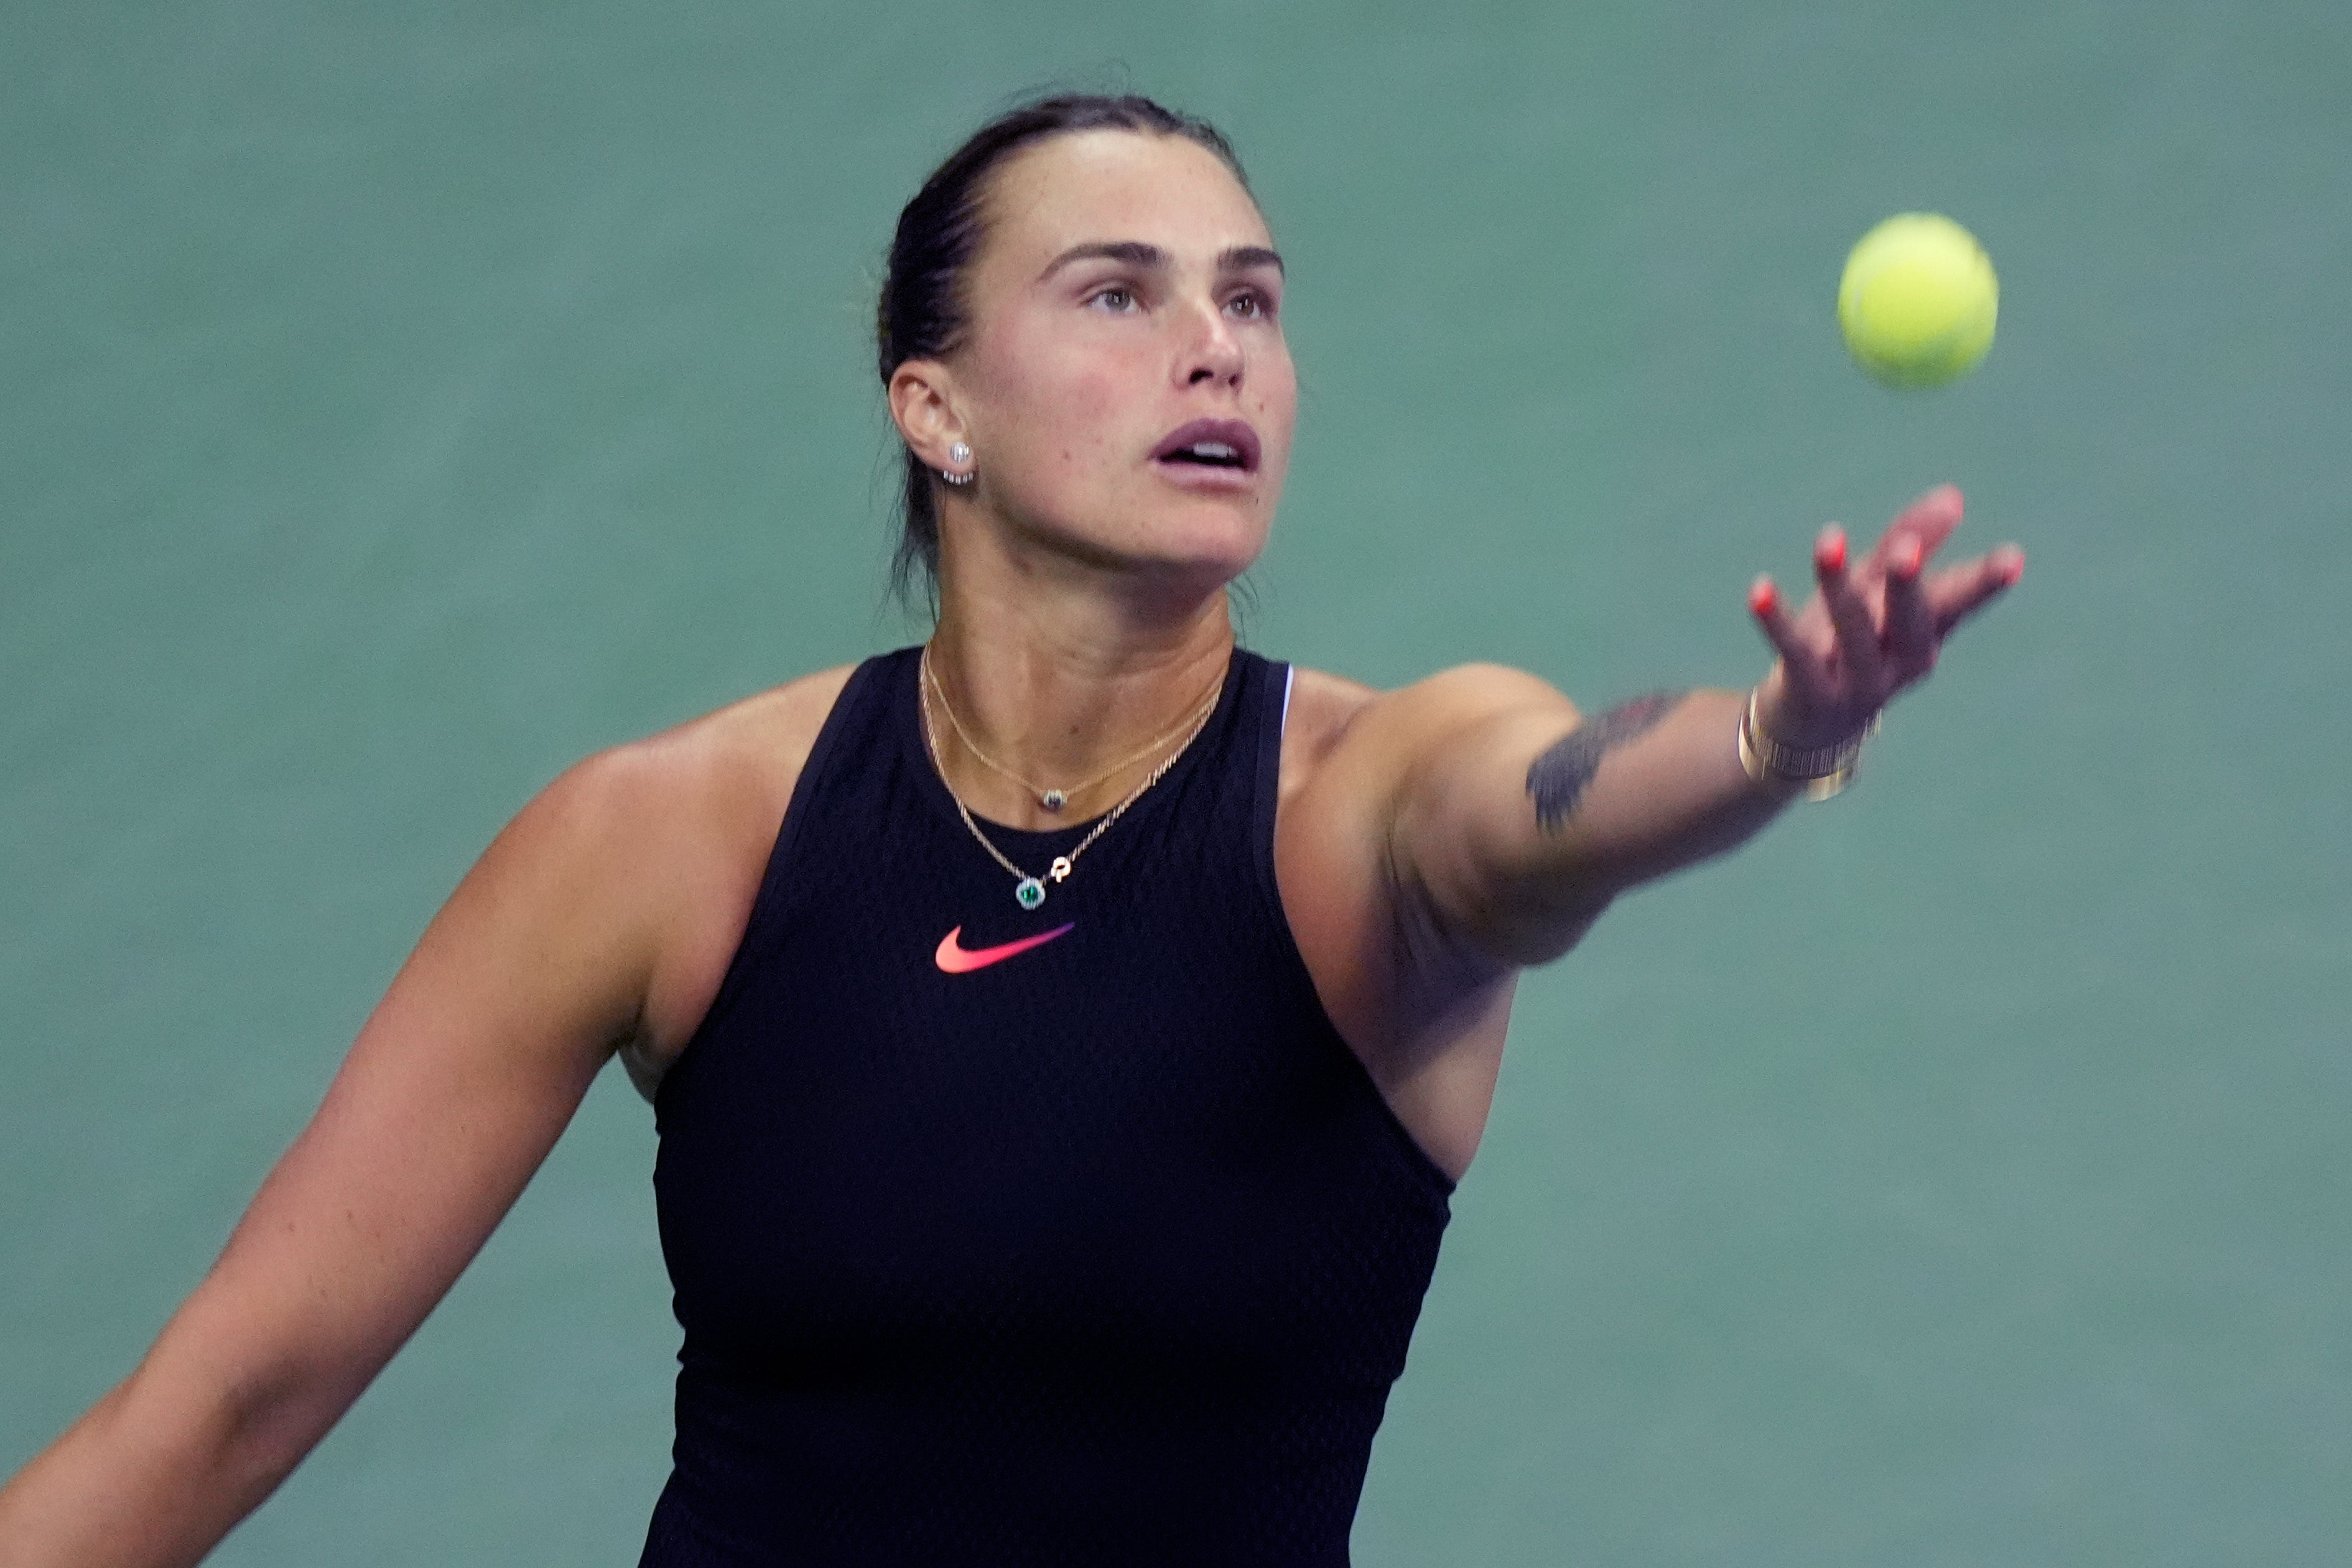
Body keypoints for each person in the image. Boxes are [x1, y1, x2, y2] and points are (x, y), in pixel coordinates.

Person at [0, 93, 2022, 1566]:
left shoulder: (1363, 804)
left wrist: (1773, 731)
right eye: (1119, 293)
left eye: (1250, 297)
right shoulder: (665, 838)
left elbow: (1544, 809)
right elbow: (229, 1400)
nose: (1215, 343)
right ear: (934, 407)